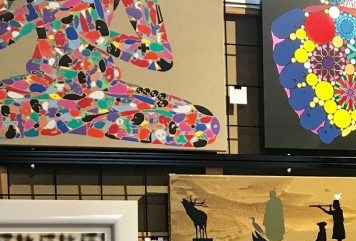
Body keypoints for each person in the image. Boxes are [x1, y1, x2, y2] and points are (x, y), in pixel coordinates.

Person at [0, 0, 219, 146]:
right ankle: (81, 115)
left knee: (204, 126)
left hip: (104, 89)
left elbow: (161, 56)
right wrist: (34, 11)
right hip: (42, 86)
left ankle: (66, 116)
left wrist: (105, 40)